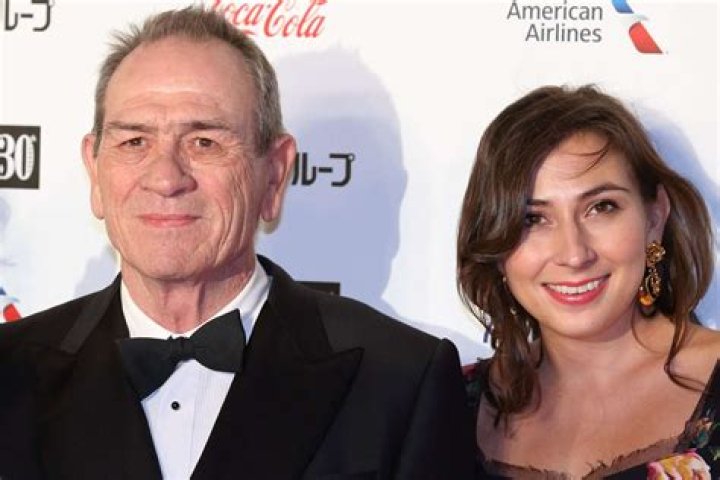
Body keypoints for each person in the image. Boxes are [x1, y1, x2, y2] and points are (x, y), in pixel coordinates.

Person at [0, 7, 475, 479]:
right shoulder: (9, 371)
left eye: (204, 142)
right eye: (135, 142)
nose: (166, 178)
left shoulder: (400, 380)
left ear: (275, 175)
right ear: (95, 171)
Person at [458, 85, 720, 478]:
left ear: (654, 218)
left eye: (601, 207)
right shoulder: (445, 405)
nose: (574, 254)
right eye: (533, 219)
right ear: (495, 246)